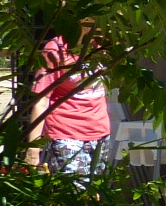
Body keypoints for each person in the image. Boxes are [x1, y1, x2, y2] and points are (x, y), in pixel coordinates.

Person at [28, 21, 112, 177]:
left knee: (96, 190)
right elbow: (41, 100)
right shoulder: (56, 48)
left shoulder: (100, 45)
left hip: (100, 133)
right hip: (66, 134)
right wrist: (33, 149)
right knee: (74, 189)